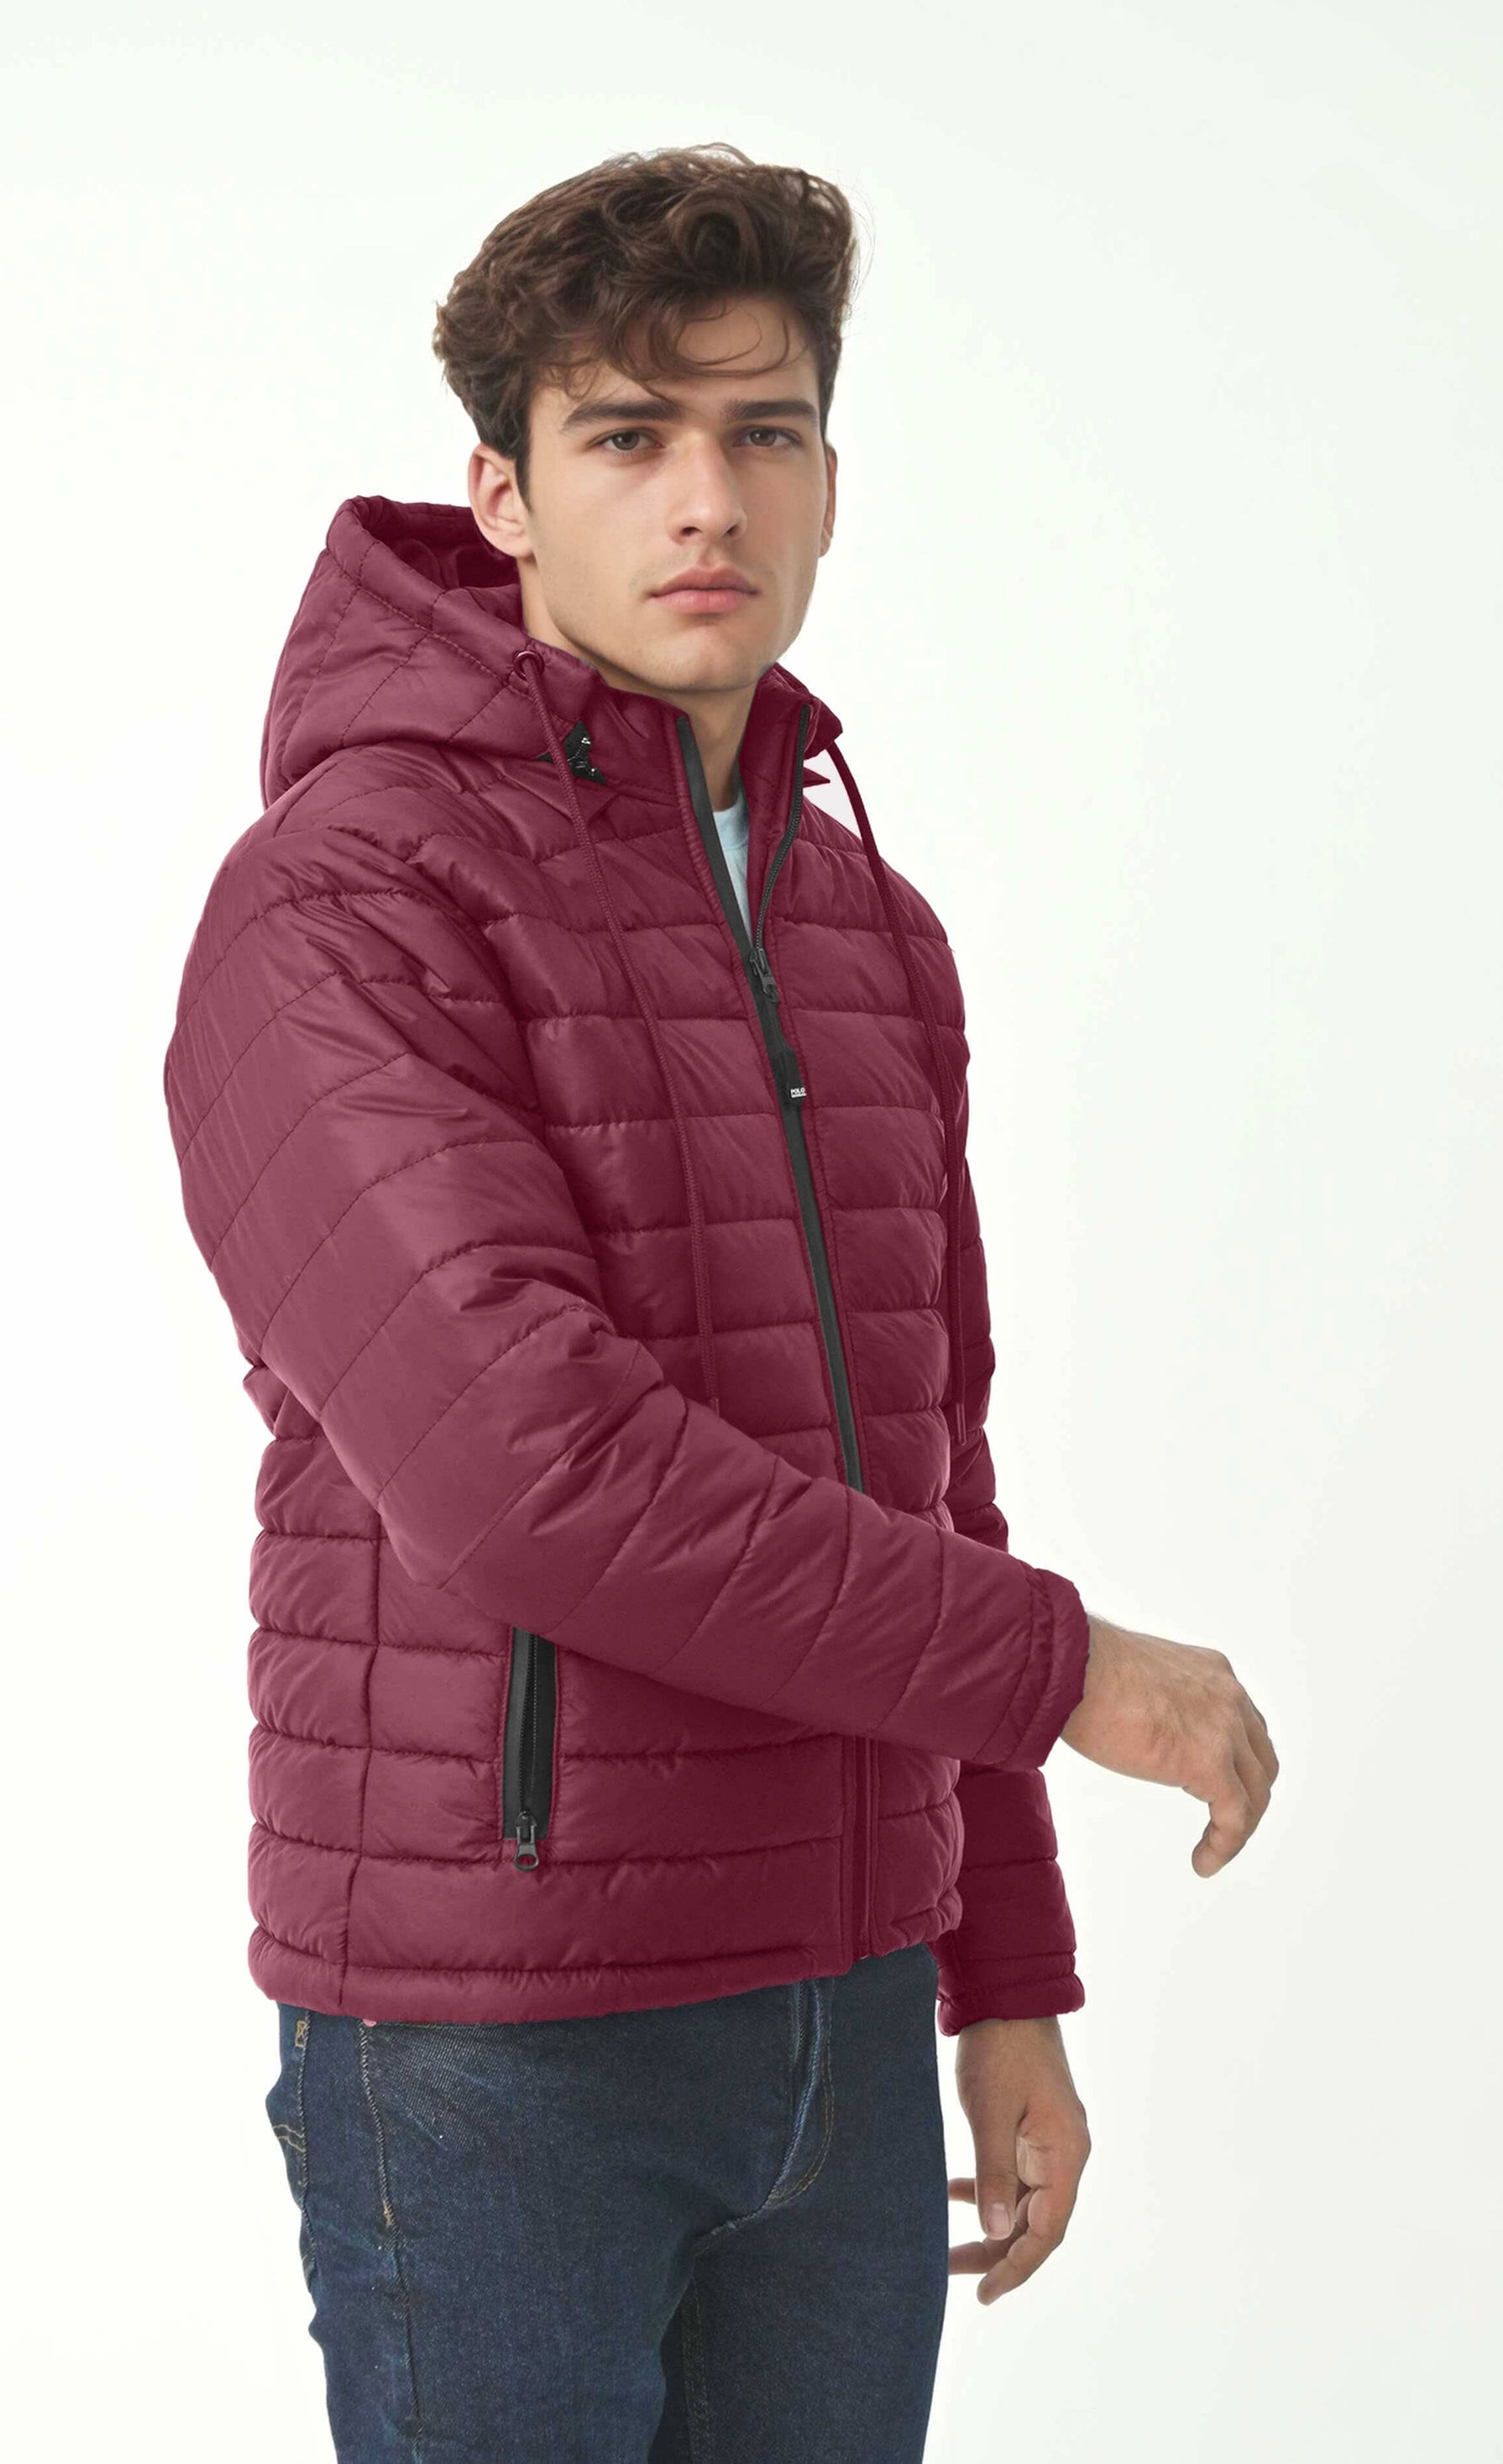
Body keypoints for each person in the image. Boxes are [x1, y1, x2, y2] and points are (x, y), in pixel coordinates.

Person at [163, 142, 1278, 2464]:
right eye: (627, 434)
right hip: (500, 2040)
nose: (707, 500)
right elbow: (527, 1466)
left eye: (764, 432)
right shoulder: (342, 902)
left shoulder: (868, 931)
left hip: (849, 2007)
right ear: (502, 492)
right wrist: (1072, 1670)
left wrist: (1001, 1973)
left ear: (830, 483)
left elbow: (930, 1466)